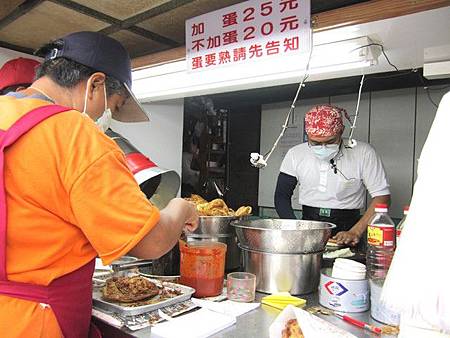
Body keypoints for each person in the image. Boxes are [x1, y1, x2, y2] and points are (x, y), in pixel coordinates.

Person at [0, 31, 198, 337]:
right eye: (115, 106)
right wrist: (181, 207)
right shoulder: (74, 134)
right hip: (36, 320)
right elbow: (151, 242)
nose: (106, 117)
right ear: (96, 84)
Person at [274, 104, 390, 247]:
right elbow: (281, 196)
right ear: (307, 134)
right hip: (309, 222)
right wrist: (295, 229)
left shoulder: (363, 153)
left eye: (330, 142)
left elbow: (382, 196)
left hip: (349, 224)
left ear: (341, 131)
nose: (323, 147)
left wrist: (355, 232)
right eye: (315, 143)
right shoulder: (295, 154)